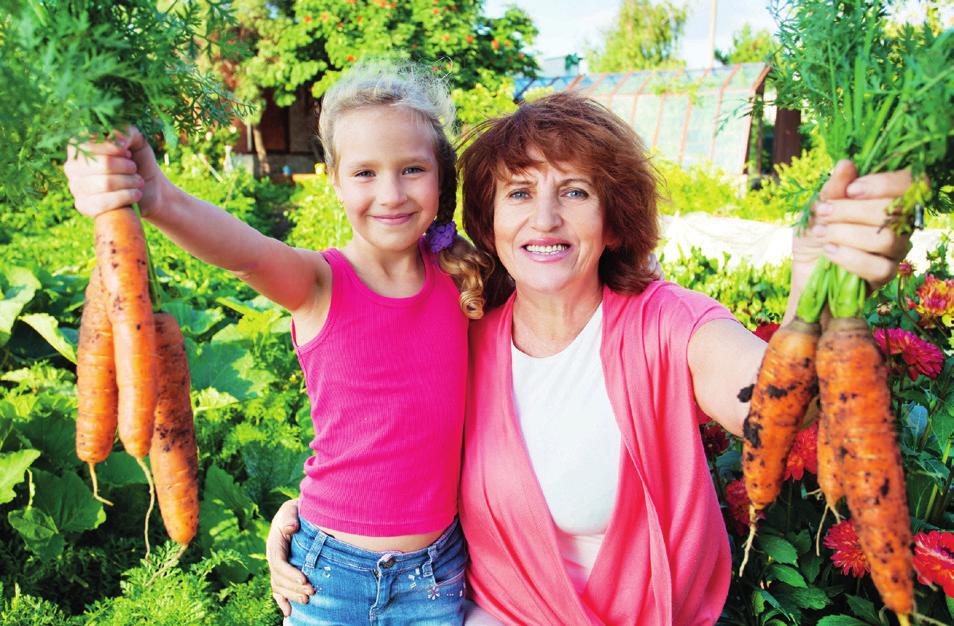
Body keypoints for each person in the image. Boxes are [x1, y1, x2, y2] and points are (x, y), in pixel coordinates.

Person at [267, 93, 913, 625]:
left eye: (574, 192)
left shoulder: (665, 325)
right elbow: (374, 421)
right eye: (519, 193)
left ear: (613, 219)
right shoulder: (468, 332)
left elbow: (777, 405)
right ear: (489, 221)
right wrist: (308, 521)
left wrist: (811, 301)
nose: (544, 219)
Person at [64, 61, 488, 625]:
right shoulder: (319, 283)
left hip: (436, 578)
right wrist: (158, 195)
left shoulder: (464, 283)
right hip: (328, 579)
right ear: (333, 179)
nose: (390, 193)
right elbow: (245, 252)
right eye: (365, 173)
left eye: (412, 169)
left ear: (441, 176)